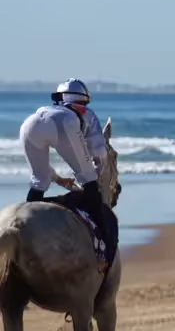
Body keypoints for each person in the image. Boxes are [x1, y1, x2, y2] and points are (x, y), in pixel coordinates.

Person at [19, 79, 119, 264]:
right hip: (63, 123)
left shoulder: (50, 110)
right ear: (84, 99)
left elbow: (42, 168)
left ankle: (27, 229)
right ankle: (107, 245)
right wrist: (97, 172)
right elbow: (98, 150)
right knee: (89, 181)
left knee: (39, 181)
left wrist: (58, 179)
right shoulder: (86, 113)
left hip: (29, 124)